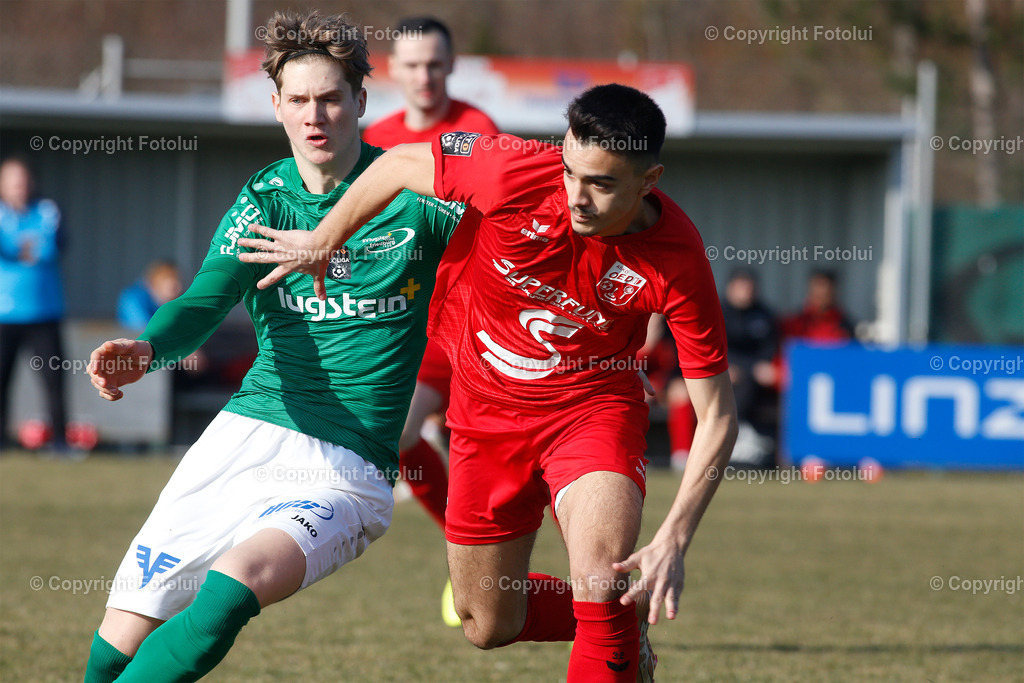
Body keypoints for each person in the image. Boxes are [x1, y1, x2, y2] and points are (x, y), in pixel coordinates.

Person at [240, 83, 739, 682]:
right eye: (571, 171)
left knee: (600, 579)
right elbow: (398, 165)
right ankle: (620, 625)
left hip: (592, 411)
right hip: (484, 414)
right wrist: (325, 239)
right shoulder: (513, 171)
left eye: (602, 184)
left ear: (649, 180)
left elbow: (717, 415)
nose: (577, 197)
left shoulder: (678, 258)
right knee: (486, 621)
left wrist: (674, 538)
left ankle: (609, 617)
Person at [82, 10, 462, 682]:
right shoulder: (264, 199)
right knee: (122, 632)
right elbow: (204, 301)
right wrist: (145, 351)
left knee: (232, 588)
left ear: (361, 102)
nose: (315, 116)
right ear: (277, 105)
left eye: (331, 98)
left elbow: (521, 233)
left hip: (348, 465)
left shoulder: (416, 198)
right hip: (246, 436)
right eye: (299, 100)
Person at [364, 16, 500, 627]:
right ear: (393, 69)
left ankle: (504, 569)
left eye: (435, 64)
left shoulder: (478, 131)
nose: (425, 75)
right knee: (398, 436)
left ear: (451, 66)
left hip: (476, 318)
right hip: (411, 320)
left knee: (489, 454)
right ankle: (463, 556)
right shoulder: (378, 137)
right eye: (413, 64)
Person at [0, 156, 70, 453]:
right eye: (13, 181)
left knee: (54, 379)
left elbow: (55, 246)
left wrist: (21, 249)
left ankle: (60, 442)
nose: (20, 186)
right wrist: (24, 249)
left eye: (24, 180)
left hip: (44, 312)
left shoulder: (47, 210)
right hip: (4, 314)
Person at [721, 269, 778, 465]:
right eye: (741, 288)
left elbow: (769, 347)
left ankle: (748, 434)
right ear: (731, 288)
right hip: (722, 369)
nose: (746, 293)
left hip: (755, 373)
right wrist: (727, 365)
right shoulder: (717, 312)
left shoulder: (764, 315)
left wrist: (761, 366)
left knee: (760, 376)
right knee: (737, 377)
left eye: (749, 288)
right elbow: (714, 345)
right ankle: (736, 431)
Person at [781, 269, 855, 343]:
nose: (822, 294)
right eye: (818, 293)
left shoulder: (846, 327)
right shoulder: (792, 325)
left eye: (826, 294)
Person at [117, 260, 183, 330]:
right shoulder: (132, 298)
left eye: (178, 279)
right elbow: (142, 328)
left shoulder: (176, 302)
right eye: (167, 278)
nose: (178, 286)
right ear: (155, 280)